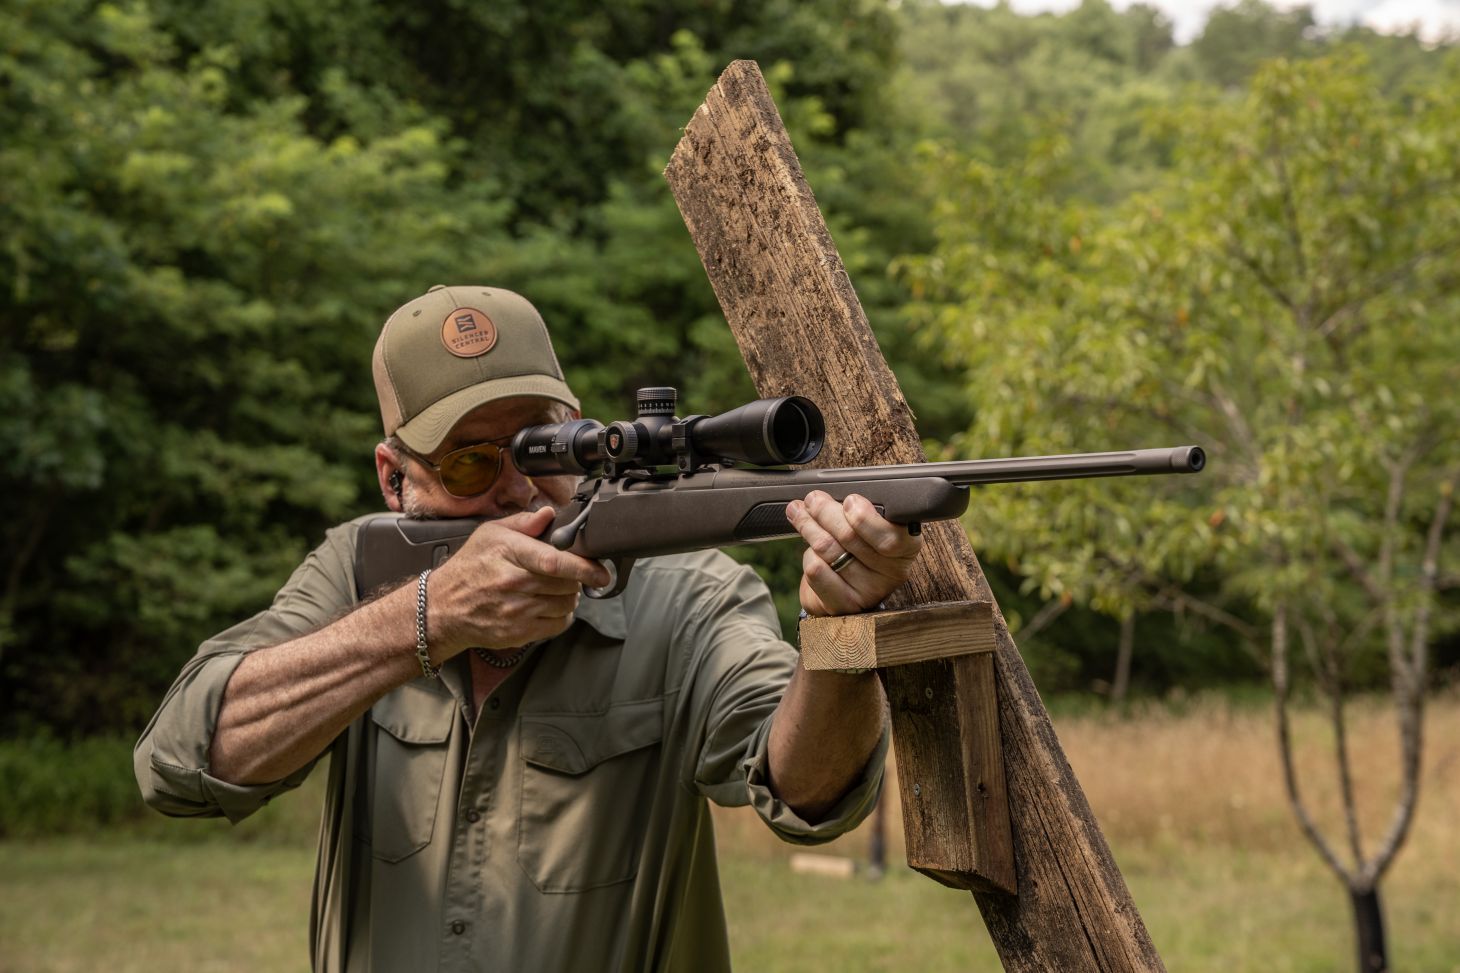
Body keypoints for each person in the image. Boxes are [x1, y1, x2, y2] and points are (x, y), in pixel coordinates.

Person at [135, 284, 922, 972]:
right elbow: (181, 761)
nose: (517, 490)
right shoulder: (358, 573)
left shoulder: (689, 593)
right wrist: (427, 617)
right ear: (393, 477)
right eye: (470, 464)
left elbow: (808, 796)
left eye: (541, 447)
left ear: (581, 429)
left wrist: (838, 630)